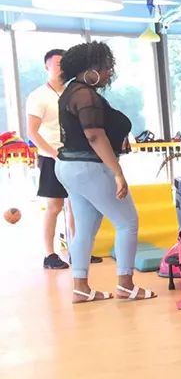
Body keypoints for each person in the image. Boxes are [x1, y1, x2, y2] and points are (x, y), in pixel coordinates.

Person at [53, 41, 154, 303]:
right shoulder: (85, 95)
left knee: (85, 228)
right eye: (106, 67)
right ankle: (125, 285)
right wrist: (117, 172)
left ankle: (80, 287)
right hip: (89, 167)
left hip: (69, 167)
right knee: (127, 222)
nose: (110, 72)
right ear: (90, 69)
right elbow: (94, 135)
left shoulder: (71, 92)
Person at [25, 48, 71, 269]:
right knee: (54, 207)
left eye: (65, 64)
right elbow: (32, 132)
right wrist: (54, 153)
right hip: (51, 157)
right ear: (47, 66)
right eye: (57, 63)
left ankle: (77, 249)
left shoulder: (72, 93)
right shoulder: (38, 96)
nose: (61, 68)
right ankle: (49, 255)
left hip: (73, 157)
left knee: (76, 206)